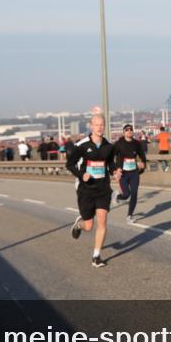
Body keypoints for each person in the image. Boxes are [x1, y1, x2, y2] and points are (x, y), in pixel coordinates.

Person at [67, 115, 122, 268]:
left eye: (102, 125)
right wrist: (81, 175)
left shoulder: (108, 146)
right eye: (96, 125)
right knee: (89, 225)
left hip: (103, 189)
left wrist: (115, 172)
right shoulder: (82, 145)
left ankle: (96, 256)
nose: (99, 127)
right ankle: (79, 225)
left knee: (102, 220)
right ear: (91, 126)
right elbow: (70, 164)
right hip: (86, 190)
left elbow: (110, 164)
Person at [113, 124, 147, 223]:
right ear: (124, 132)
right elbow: (111, 157)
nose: (129, 131)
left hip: (134, 172)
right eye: (127, 130)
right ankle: (116, 195)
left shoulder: (136, 143)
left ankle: (129, 216)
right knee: (126, 194)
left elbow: (142, 155)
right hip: (123, 173)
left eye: (131, 129)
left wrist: (143, 163)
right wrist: (115, 170)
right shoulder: (119, 143)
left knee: (134, 194)